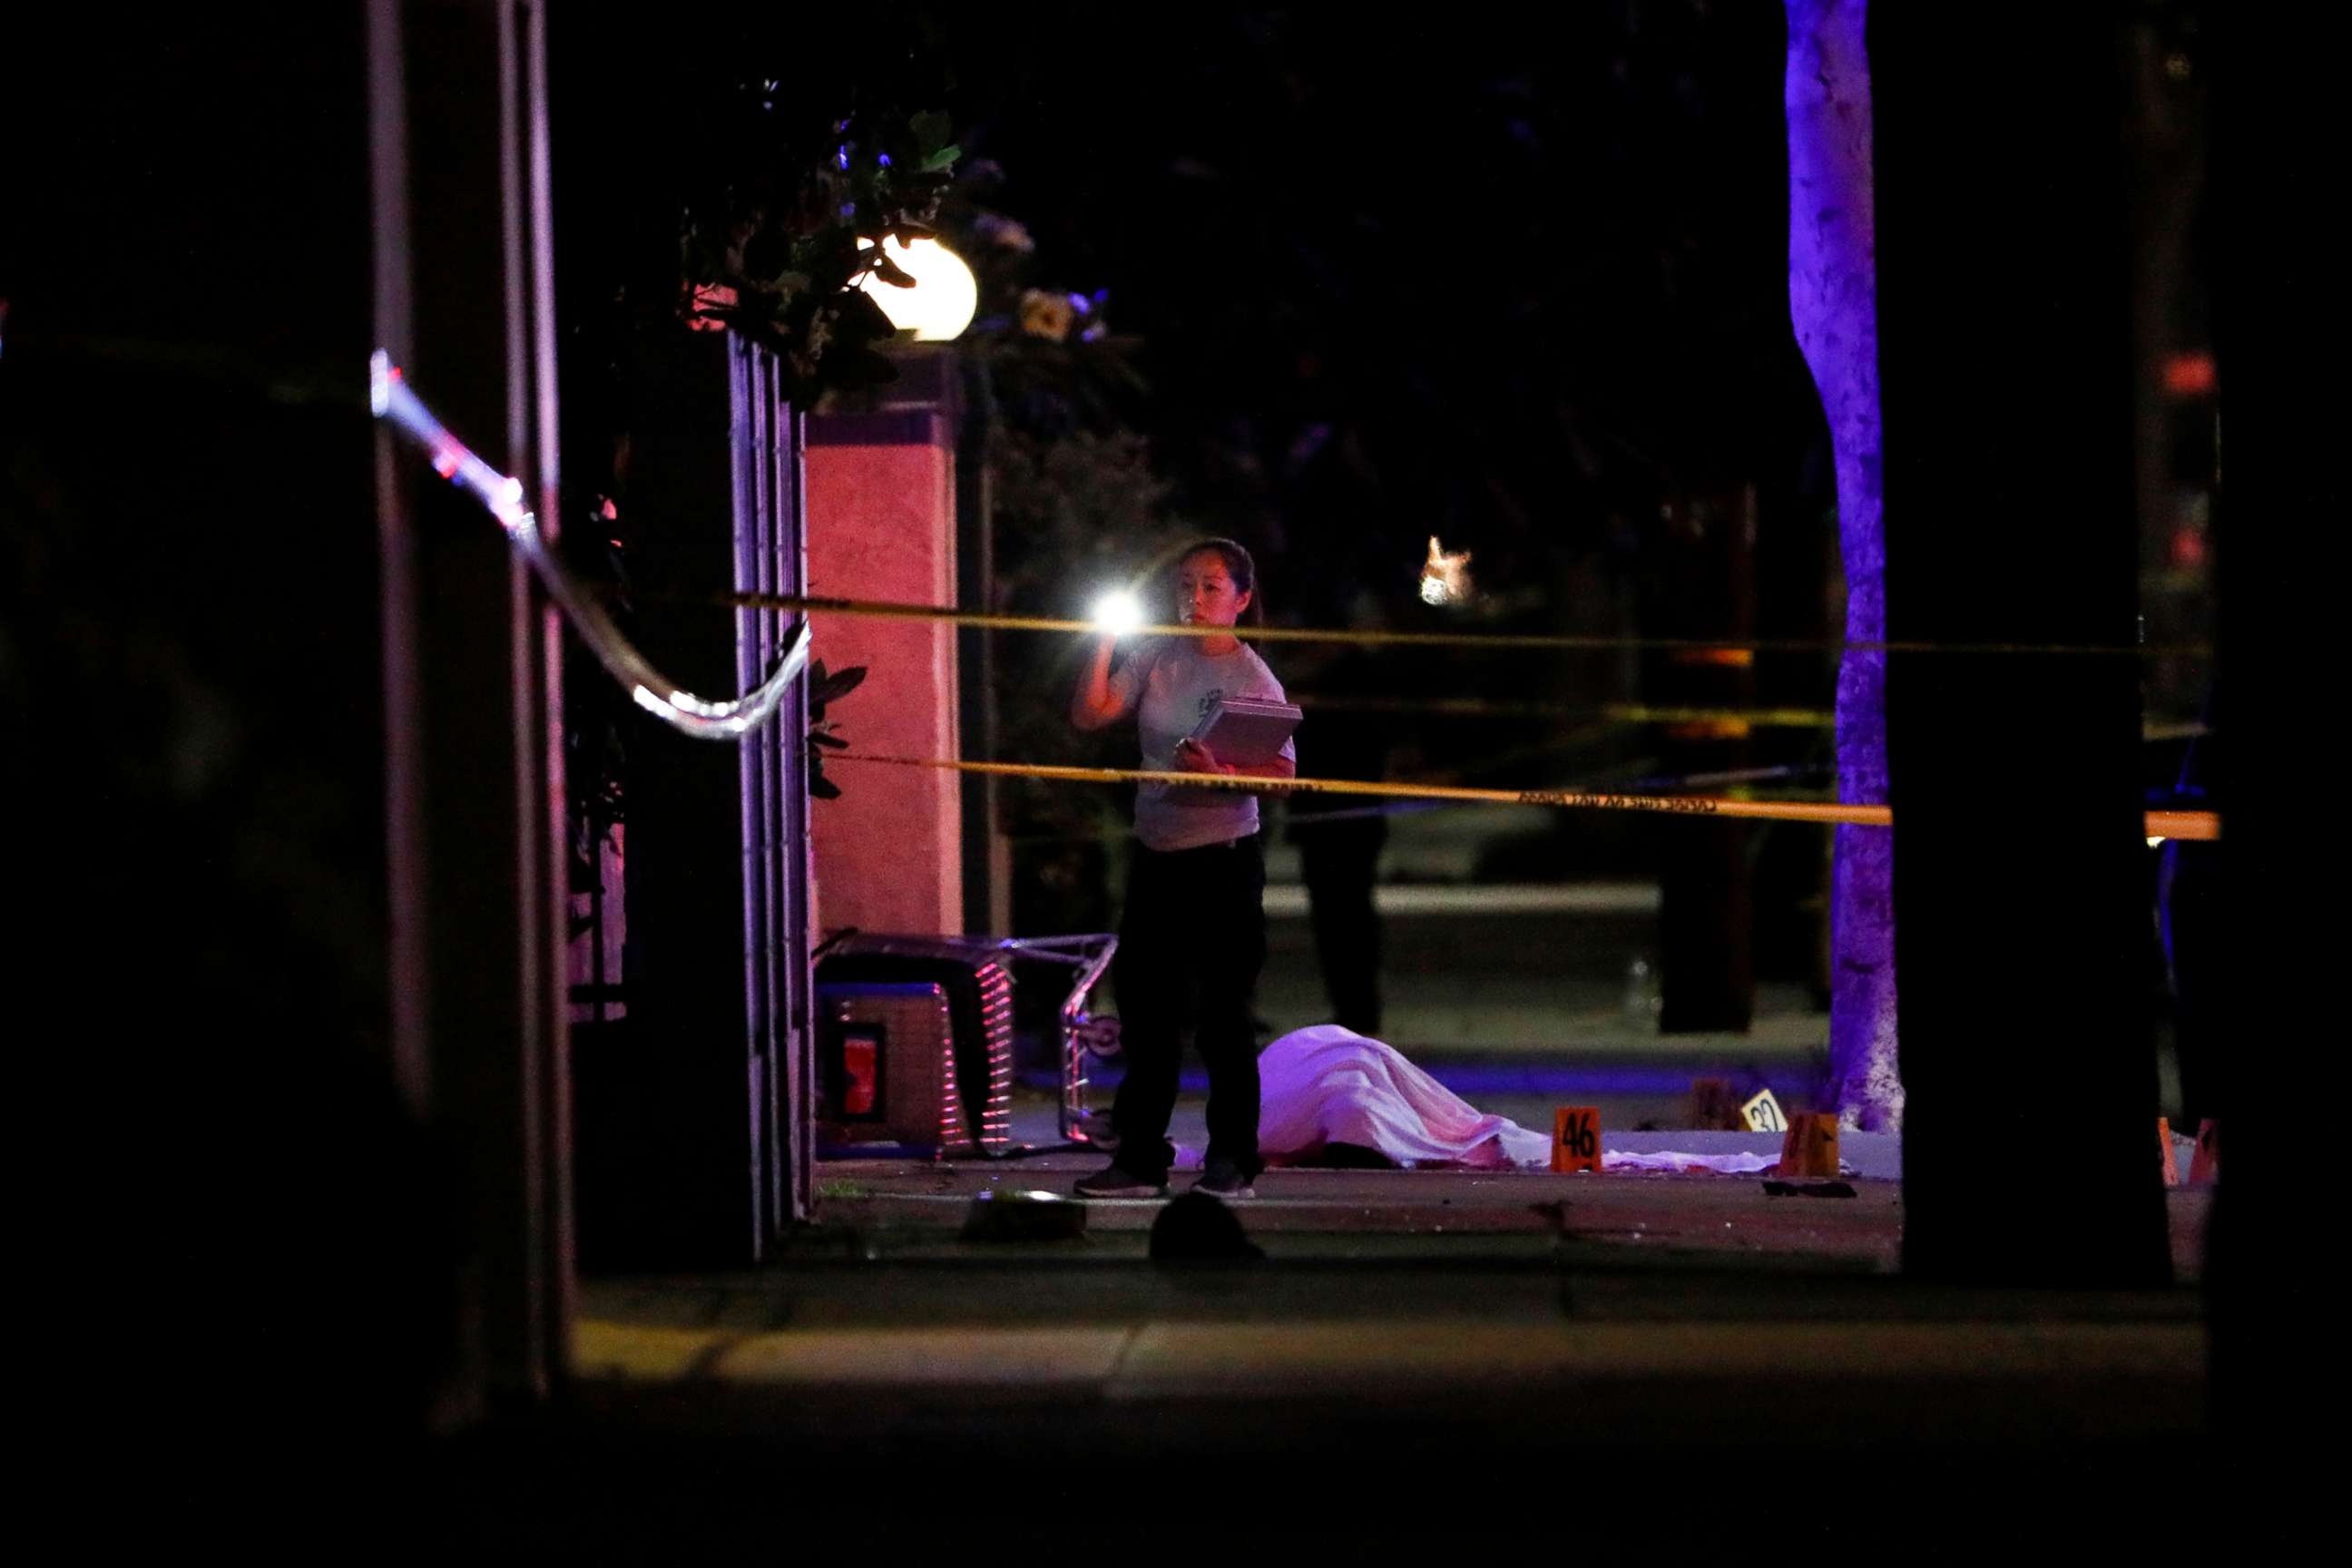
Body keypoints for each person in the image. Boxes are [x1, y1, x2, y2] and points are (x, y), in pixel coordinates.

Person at [1068, 538, 1297, 1199]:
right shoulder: (1156, 657)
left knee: (1224, 1016)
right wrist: (1101, 641)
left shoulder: (1254, 680)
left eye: (1211, 588)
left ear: (1241, 601)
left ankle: (1233, 1159)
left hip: (1222, 861)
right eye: (1185, 586)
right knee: (1146, 1012)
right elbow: (1092, 715)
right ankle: (1140, 1159)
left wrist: (1223, 774)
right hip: (1157, 857)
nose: (1194, 600)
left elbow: (1282, 778)